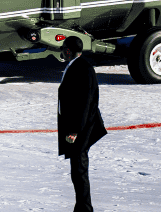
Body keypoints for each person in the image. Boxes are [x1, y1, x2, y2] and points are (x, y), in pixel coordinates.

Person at [58, 35, 107, 212]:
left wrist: (74, 131)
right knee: (77, 170)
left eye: (63, 48)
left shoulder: (83, 69)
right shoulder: (77, 66)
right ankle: (82, 207)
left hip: (82, 127)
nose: (62, 51)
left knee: (79, 169)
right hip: (79, 126)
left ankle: (85, 209)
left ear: (68, 51)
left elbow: (84, 104)